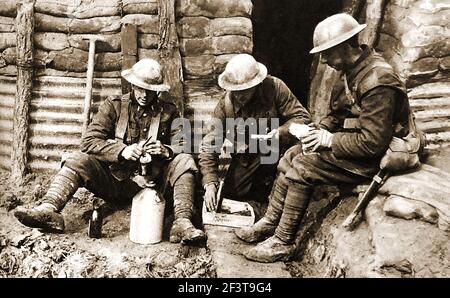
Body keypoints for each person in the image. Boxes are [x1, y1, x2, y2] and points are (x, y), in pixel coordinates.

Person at [236, 13, 414, 262]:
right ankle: (270, 222)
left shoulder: (378, 81)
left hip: (378, 156)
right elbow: (338, 115)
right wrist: (316, 131)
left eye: (327, 52)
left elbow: (374, 143)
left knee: (303, 166)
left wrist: (328, 140)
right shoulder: (351, 73)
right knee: (291, 154)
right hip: (354, 143)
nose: (323, 59)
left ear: (343, 47)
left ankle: (282, 241)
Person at [14, 58, 206, 245]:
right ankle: (49, 208)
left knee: (185, 161)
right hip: (116, 182)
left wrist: (167, 150)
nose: (144, 95)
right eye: (140, 88)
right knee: (78, 159)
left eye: (150, 90)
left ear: (158, 91)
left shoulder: (169, 111)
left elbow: (185, 147)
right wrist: (122, 151)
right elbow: (89, 141)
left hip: (154, 188)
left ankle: (181, 223)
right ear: (132, 85)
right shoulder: (114, 105)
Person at [198, 54, 311, 212]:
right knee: (228, 202)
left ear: (257, 84)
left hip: (278, 153)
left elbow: (302, 117)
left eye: (244, 90)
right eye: (235, 91)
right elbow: (210, 145)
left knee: (283, 195)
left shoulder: (275, 88)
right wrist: (210, 184)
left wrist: (279, 132)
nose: (239, 96)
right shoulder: (225, 106)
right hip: (247, 159)